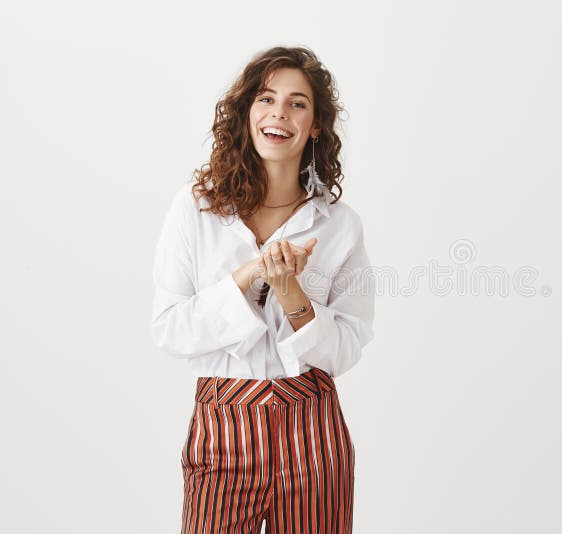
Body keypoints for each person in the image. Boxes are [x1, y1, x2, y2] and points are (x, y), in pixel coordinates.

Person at [150, 45, 375, 534]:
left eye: (297, 103)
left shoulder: (340, 226)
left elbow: (346, 349)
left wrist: (289, 289)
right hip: (224, 426)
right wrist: (248, 276)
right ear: (247, 110)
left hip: (312, 429)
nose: (278, 114)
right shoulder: (197, 210)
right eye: (266, 99)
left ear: (315, 124)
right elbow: (170, 329)